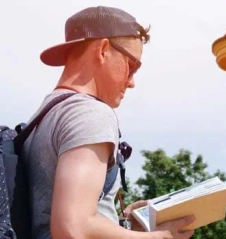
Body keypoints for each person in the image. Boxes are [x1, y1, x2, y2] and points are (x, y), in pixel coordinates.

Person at [22, 6, 194, 239]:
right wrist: (159, 237)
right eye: (132, 65)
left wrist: (121, 225)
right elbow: (73, 228)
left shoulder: (44, 114)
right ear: (103, 50)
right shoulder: (90, 114)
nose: (132, 82)